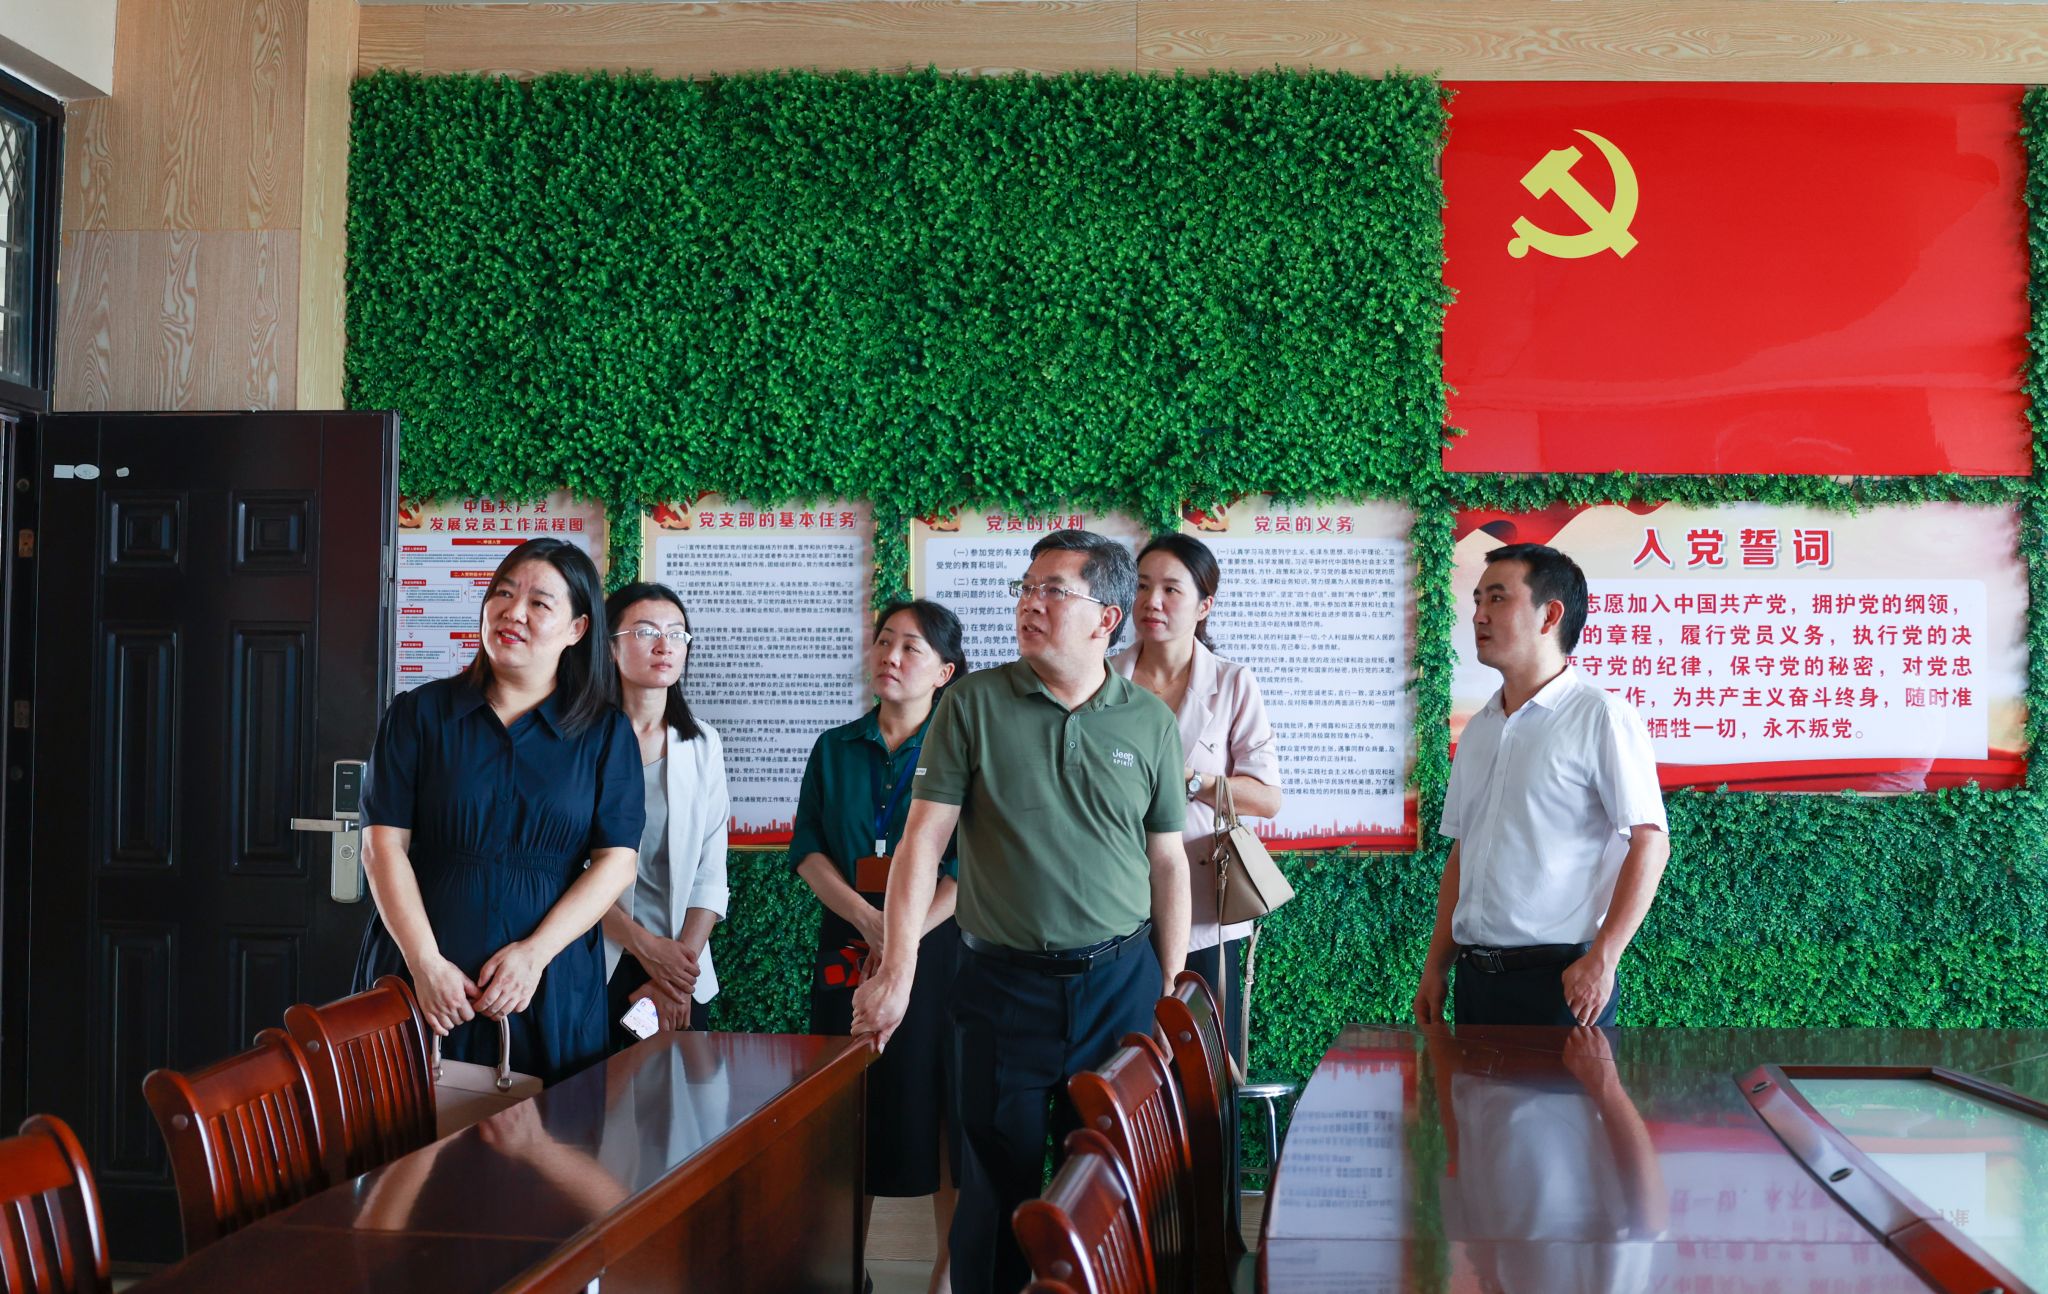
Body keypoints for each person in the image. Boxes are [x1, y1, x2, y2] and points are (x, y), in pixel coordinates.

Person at [852, 529, 1191, 1294]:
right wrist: (899, 970)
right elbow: (922, 841)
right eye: (1026, 589)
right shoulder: (972, 705)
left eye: (1053, 591)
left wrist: (1170, 982)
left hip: (1119, 986)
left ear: (1107, 618)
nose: (1030, 604)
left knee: (1109, 1188)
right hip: (1000, 991)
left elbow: (1168, 860)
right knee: (992, 1193)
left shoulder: (1149, 721)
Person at [356, 537, 643, 1084]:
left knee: (549, 1131)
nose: (514, 612)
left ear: (577, 629)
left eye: (539, 602)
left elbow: (617, 863)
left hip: (548, 984)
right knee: (402, 1127)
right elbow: (382, 846)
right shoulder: (419, 715)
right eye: (504, 594)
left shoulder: (604, 734)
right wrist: (425, 963)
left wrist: (534, 955)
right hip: (423, 975)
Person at [1413, 543, 1670, 1029]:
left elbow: (1651, 842)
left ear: (1550, 615)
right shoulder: (1479, 728)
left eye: (1497, 598)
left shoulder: (1601, 717)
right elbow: (1463, 853)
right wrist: (1436, 967)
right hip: (1475, 981)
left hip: (1563, 985)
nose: (1478, 615)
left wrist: (1604, 959)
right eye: (1477, 600)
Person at [791, 599, 968, 1294]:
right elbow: (808, 850)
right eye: (884, 641)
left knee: (944, 1108)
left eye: (911, 648)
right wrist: (868, 920)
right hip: (848, 940)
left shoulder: (961, 752)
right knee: (849, 1105)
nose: (891, 657)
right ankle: (846, 1270)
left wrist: (899, 935)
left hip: (937, 948)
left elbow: (969, 869)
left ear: (944, 672)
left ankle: (947, 1276)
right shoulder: (835, 747)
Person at [1111, 533, 1281, 1064]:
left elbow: (1267, 798)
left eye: (1171, 589)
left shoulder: (1232, 683)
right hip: (1112, 900)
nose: (1152, 602)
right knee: (1128, 1063)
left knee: (1203, 1067)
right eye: (1142, 587)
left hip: (1206, 909)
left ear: (1204, 605)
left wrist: (1190, 781)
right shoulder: (1104, 679)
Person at [600, 582, 730, 1047]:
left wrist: (674, 973)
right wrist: (647, 949)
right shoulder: (579, 741)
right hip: (600, 959)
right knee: (596, 1089)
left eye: (677, 634)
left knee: (682, 1090)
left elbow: (711, 872)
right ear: (610, 647)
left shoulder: (703, 744)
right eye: (646, 632)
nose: (665, 645)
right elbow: (568, 870)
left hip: (683, 969)